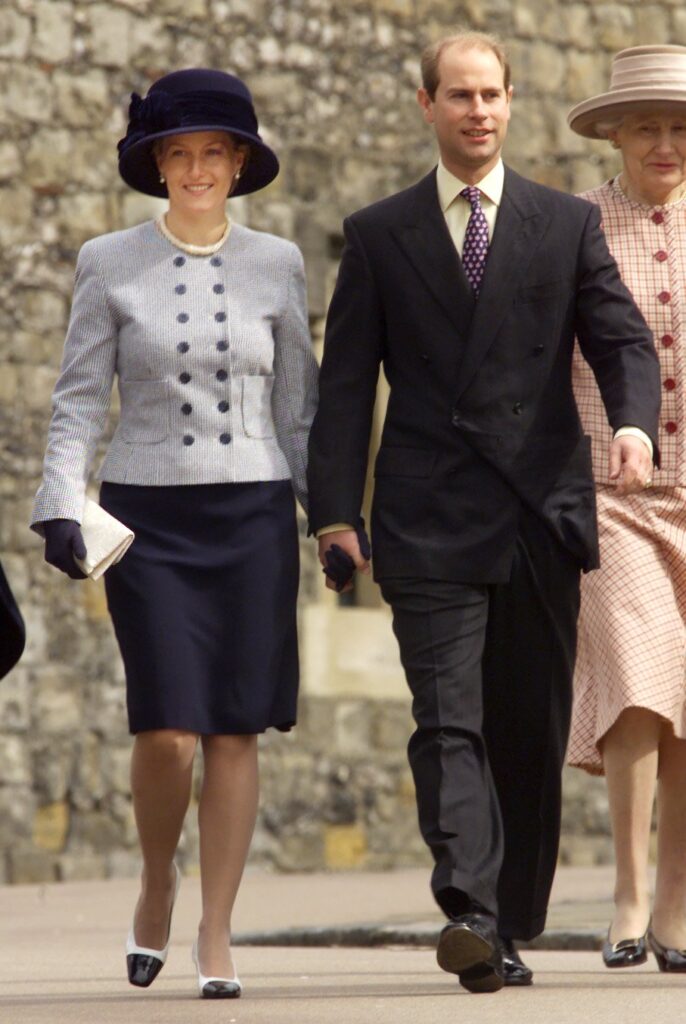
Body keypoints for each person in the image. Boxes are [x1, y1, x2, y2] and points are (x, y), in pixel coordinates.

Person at [307, 31, 661, 994]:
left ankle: (509, 919)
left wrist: (632, 426)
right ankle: (468, 904)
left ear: (511, 104)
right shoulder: (379, 234)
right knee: (446, 718)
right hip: (425, 516)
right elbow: (345, 387)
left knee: (527, 727)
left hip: (539, 512)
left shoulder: (561, 223)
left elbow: (622, 339)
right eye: (458, 95)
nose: (477, 111)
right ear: (426, 105)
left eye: (491, 95)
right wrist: (336, 510)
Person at [30, 69, 318, 999]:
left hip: (256, 517)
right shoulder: (106, 261)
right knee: (169, 734)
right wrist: (59, 502)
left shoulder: (280, 263)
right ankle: (157, 877)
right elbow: (77, 401)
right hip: (149, 521)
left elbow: (300, 411)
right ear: (158, 164)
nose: (196, 168)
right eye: (178, 153)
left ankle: (218, 930)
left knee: (236, 731)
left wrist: (339, 522)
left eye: (213, 152)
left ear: (238, 163)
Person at [568, 44, 686, 974]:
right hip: (613, 492)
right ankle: (630, 892)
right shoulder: (575, 227)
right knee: (639, 683)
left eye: (681, 126)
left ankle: (679, 903)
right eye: (646, 123)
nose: (665, 141)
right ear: (612, 131)